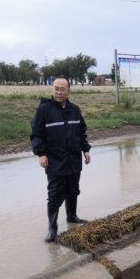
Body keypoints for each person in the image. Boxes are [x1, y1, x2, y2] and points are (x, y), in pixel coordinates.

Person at [30, 77, 91, 242]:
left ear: (69, 91)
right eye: (56, 88)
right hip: (55, 160)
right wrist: (41, 154)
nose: (59, 92)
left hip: (73, 159)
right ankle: (52, 228)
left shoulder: (75, 110)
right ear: (52, 90)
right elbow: (36, 134)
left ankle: (72, 216)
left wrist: (85, 150)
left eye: (62, 89)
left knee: (73, 189)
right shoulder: (44, 110)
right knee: (55, 194)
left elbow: (81, 131)